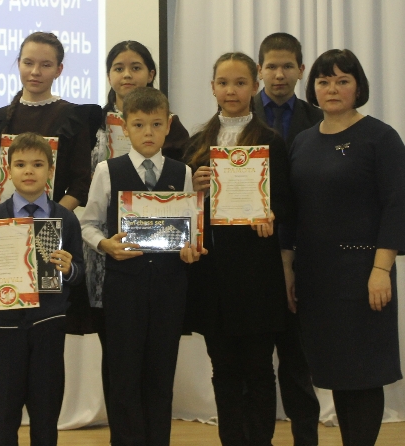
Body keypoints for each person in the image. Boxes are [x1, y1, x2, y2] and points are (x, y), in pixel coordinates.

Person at [288, 49, 405, 446]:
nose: (332, 89)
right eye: (324, 81)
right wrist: (288, 268)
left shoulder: (381, 137)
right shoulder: (302, 142)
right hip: (316, 277)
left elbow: (397, 206)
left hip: (364, 274)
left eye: (342, 80)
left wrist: (381, 270)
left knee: (364, 373)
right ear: (313, 88)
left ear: (358, 87)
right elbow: (293, 211)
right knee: (336, 371)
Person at [80, 87, 201, 446]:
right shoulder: (107, 170)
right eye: (139, 124)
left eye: (156, 124)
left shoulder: (182, 172)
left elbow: (189, 230)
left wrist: (190, 250)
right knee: (124, 374)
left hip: (169, 286)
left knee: (161, 372)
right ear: (125, 127)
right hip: (124, 285)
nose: (148, 132)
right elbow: (88, 224)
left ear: (169, 126)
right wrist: (105, 245)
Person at [183, 52, 292, 446]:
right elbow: (182, 211)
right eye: (223, 83)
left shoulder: (271, 141)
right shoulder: (197, 144)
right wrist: (193, 188)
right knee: (223, 369)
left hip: (257, 274)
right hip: (212, 275)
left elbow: (286, 202)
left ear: (255, 87)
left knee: (260, 368)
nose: (231, 90)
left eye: (240, 83)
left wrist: (271, 215)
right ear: (212, 87)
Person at [0, 132, 84, 446]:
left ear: (50, 170)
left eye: (37, 164)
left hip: (49, 323)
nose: (29, 171)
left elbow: (80, 273)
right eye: (20, 164)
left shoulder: (66, 219)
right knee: (5, 410)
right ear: (8, 169)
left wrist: (69, 268)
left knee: (46, 410)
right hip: (5, 325)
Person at [253, 32, 322, 445]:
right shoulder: (237, 116)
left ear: (300, 69)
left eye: (287, 66)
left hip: (301, 252)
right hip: (250, 257)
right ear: (259, 70)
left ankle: (306, 439)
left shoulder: (319, 120)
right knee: (255, 364)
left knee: (298, 362)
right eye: (271, 66)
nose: (279, 75)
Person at [0, 32, 99, 212]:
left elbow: (80, 185)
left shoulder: (73, 117)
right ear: (19, 63)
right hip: (7, 222)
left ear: (59, 70)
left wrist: (51, 217)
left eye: (46, 65)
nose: (35, 71)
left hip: (54, 221)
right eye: (28, 63)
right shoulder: (0, 119)